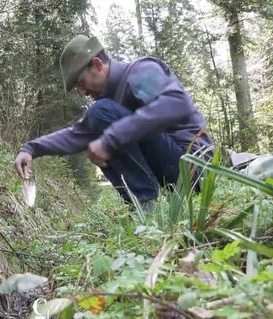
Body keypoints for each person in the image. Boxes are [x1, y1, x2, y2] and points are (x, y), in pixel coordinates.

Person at [13, 35, 213, 205]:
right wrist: (31, 148)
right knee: (98, 124)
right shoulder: (108, 108)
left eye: (81, 83)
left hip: (195, 168)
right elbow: (76, 135)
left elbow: (176, 103)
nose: (82, 93)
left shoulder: (139, 73)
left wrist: (111, 138)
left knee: (101, 117)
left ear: (98, 65)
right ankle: (145, 207)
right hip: (173, 176)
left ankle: (147, 205)